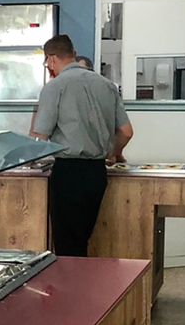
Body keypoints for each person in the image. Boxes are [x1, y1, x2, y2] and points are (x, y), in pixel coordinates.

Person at [31, 35, 133, 257]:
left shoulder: (54, 87)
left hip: (68, 173)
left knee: (67, 244)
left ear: (51, 59)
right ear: (74, 54)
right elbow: (126, 132)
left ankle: (72, 281)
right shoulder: (107, 85)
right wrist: (113, 153)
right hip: (97, 173)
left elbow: (39, 136)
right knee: (82, 239)